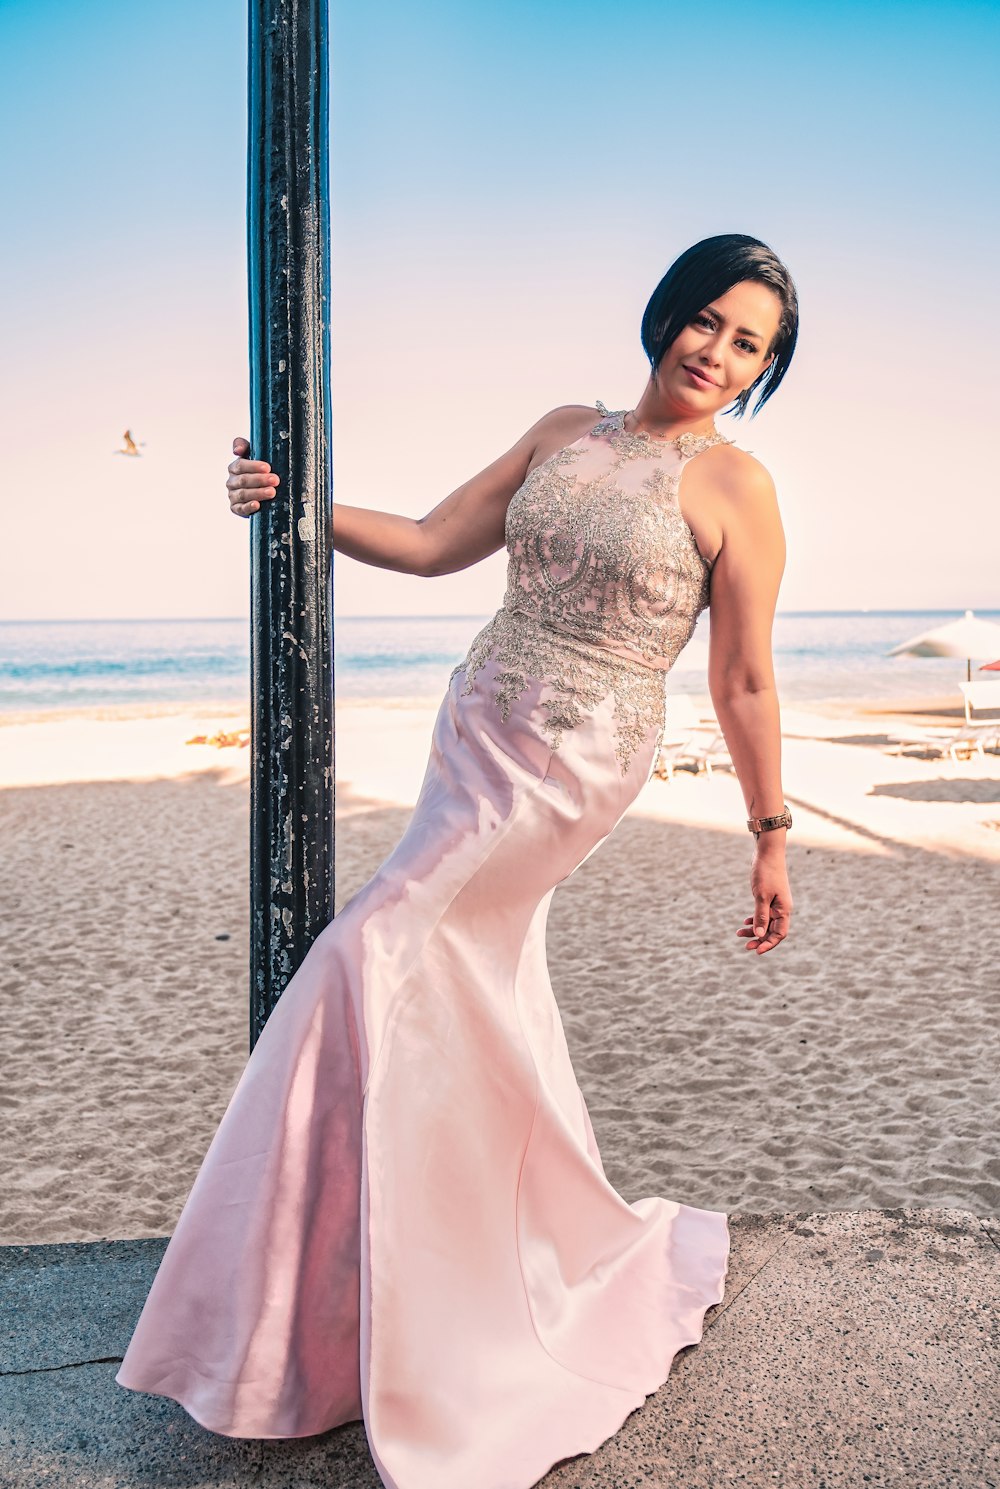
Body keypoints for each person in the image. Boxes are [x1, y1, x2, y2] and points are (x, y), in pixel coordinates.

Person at [116, 233, 797, 1489]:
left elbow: (743, 676)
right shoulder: (562, 428)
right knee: (461, 997)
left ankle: (385, 1313)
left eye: (747, 342)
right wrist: (296, 507)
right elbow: (435, 542)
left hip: (575, 754)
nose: (715, 351)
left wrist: (769, 836)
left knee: (374, 954)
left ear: (763, 369)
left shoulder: (738, 486)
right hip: (476, 718)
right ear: (664, 315)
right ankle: (389, 1295)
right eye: (705, 319)